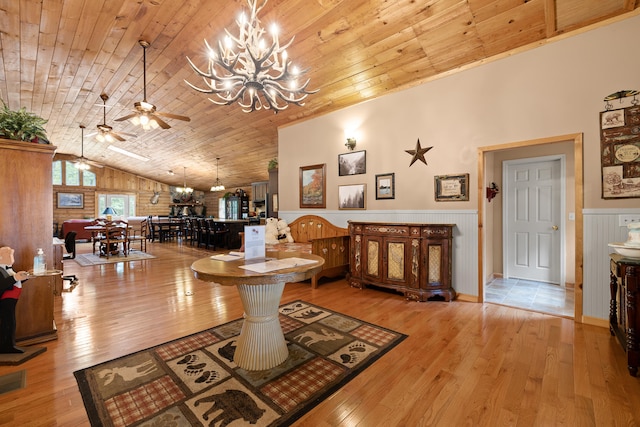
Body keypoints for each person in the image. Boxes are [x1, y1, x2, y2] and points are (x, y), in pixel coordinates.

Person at [0, 246, 29, 353]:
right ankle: (6, 346)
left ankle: (8, 344)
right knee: (8, 322)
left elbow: (15, 281)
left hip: (12, 300)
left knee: (10, 321)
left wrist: (24, 277)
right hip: (5, 300)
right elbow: (2, 284)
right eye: (9, 255)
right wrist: (15, 278)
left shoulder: (9, 268)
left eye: (12, 255)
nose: (12, 257)